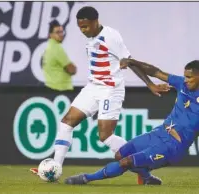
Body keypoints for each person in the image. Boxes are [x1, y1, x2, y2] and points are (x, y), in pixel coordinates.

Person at [31, 6, 169, 184]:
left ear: (96, 22)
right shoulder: (91, 38)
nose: (83, 30)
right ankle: (55, 169)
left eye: (86, 26)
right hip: (93, 87)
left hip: (110, 90)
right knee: (66, 123)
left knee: (105, 136)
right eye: (80, 27)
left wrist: (150, 84)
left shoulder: (111, 37)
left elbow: (130, 62)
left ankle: (143, 172)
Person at [64, 59, 199, 185]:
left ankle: (86, 178)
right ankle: (146, 177)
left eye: (189, 77)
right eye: (185, 76)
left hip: (174, 146)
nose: (185, 80)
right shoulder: (182, 84)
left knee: (126, 162)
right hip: (159, 133)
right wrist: (132, 62)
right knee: (121, 153)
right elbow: (156, 72)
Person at [42, 20, 77, 91]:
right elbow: (72, 70)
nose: (61, 34)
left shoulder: (49, 47)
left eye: (61, 32)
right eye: (58, 32)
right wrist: (73, 67)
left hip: (51, 88)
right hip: (61, 90)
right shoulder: (57, 48)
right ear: (50, 35)